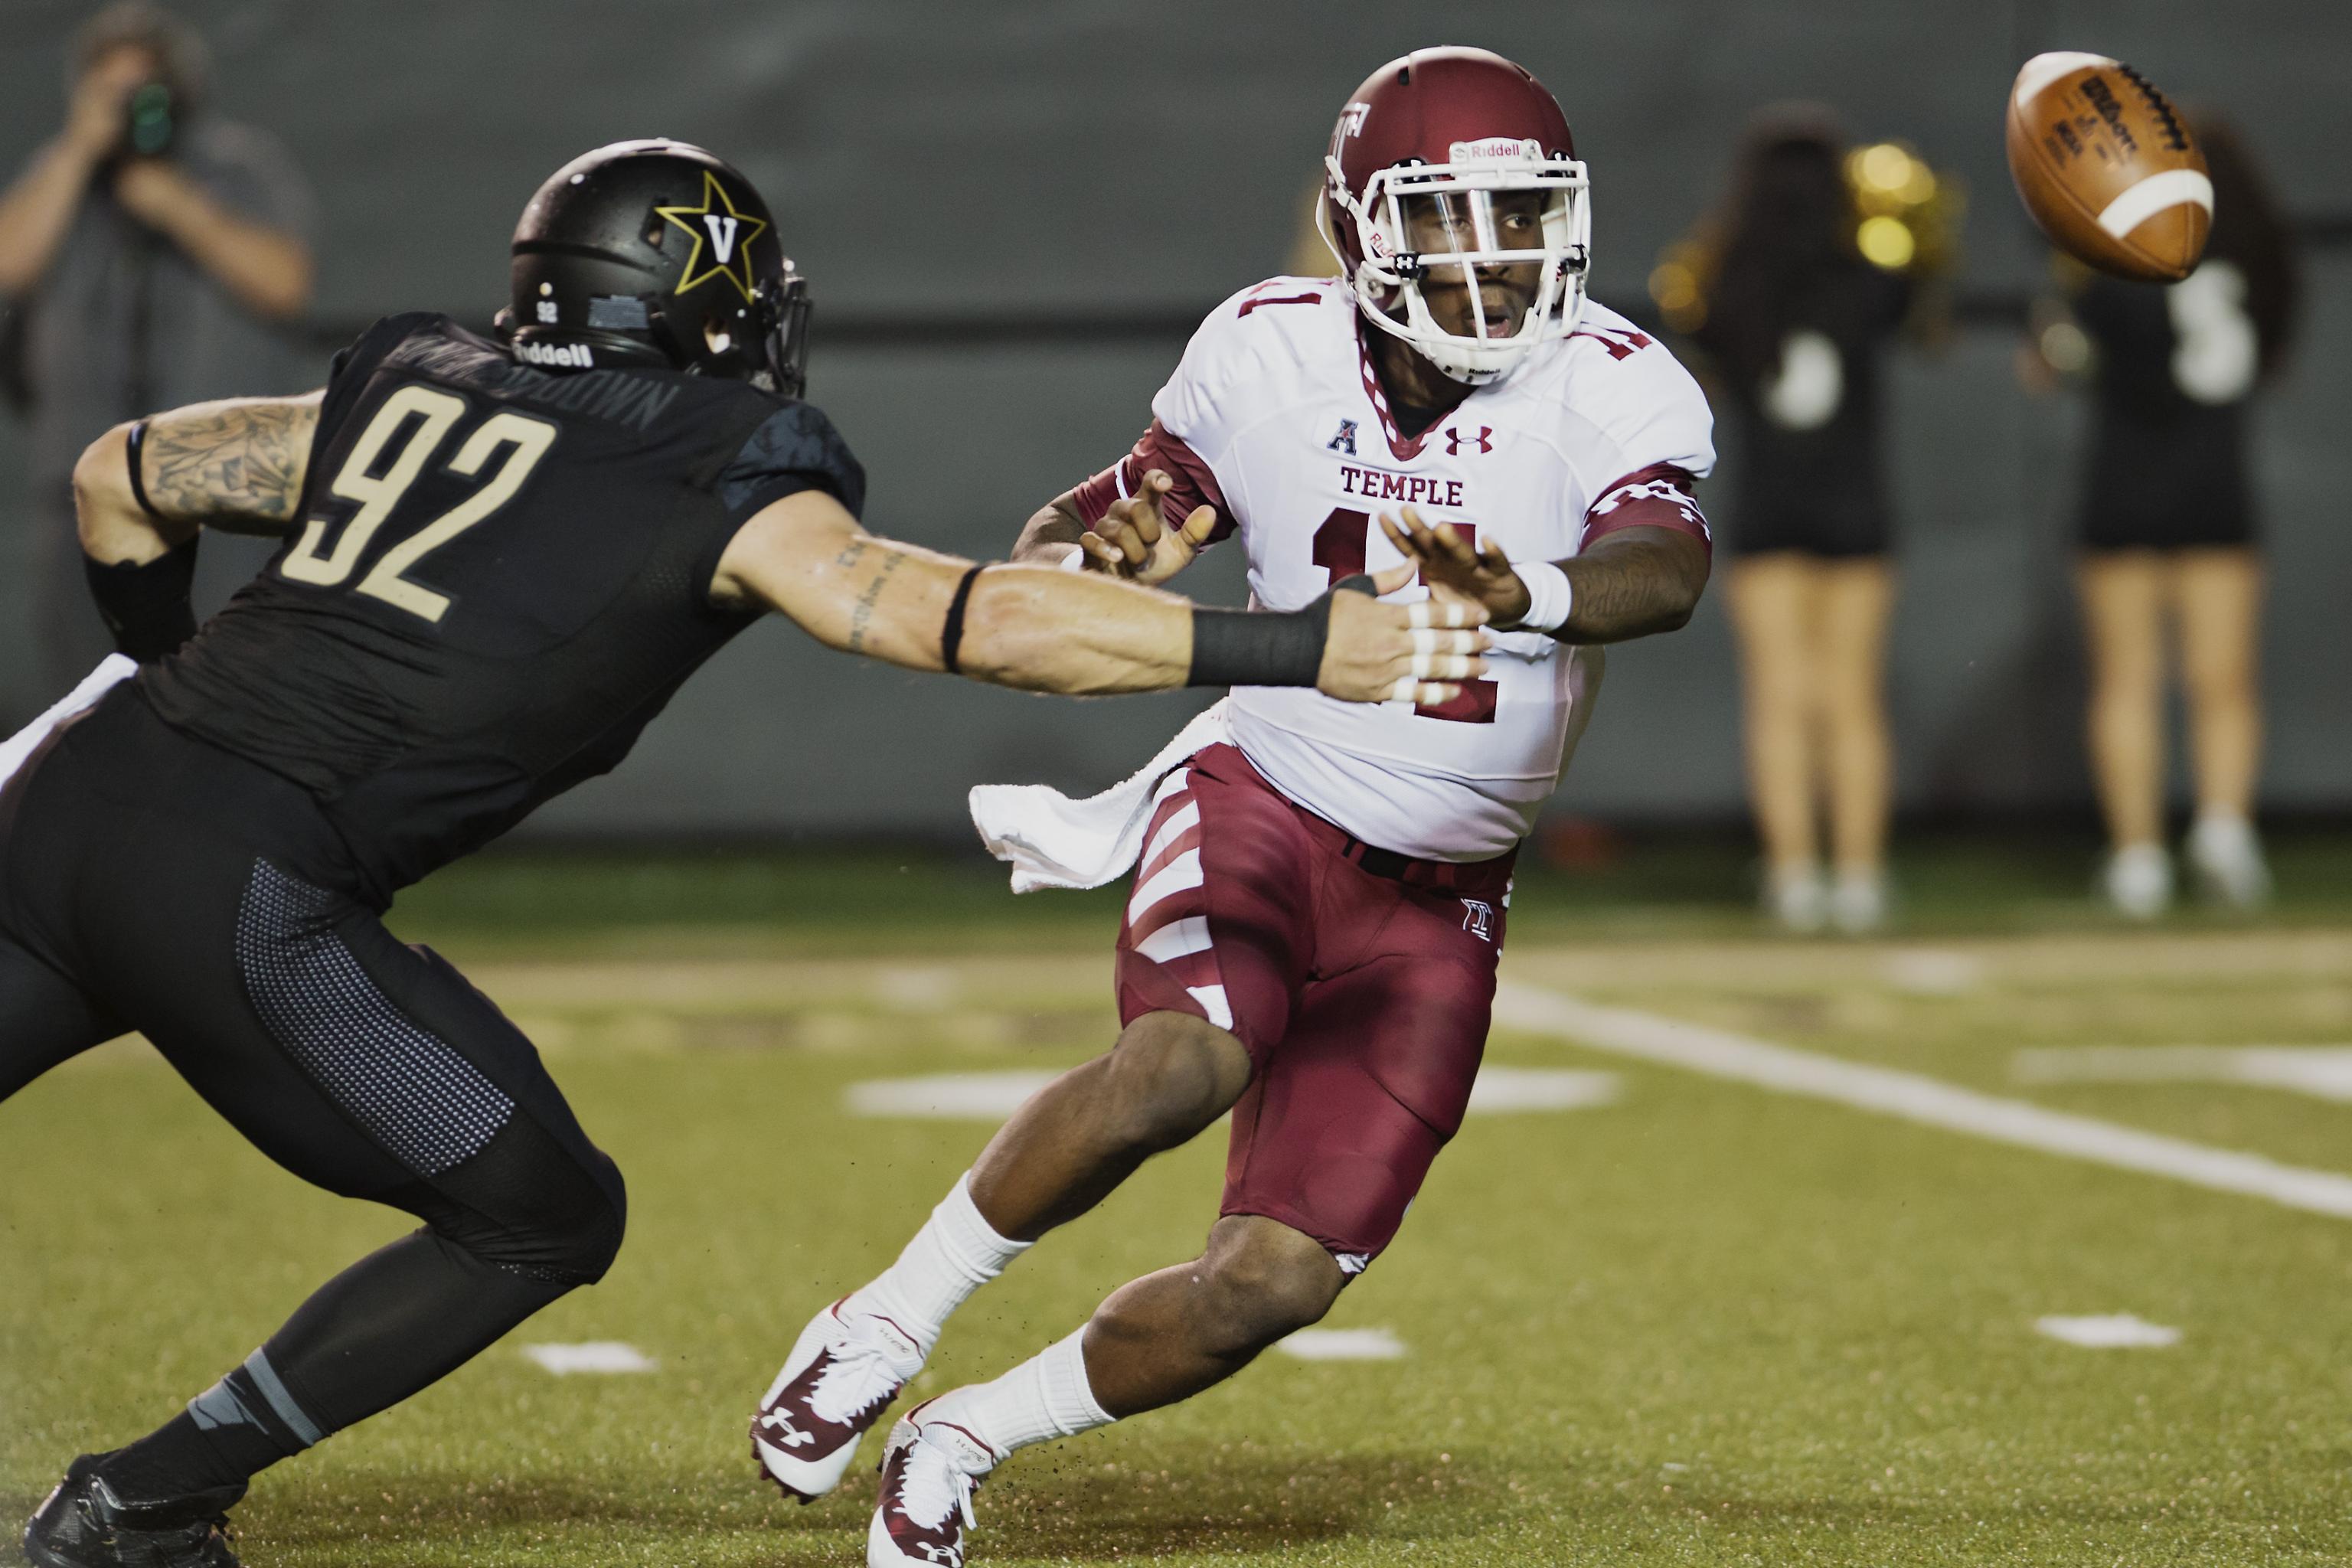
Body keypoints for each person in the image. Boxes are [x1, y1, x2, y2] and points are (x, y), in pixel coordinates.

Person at [7, 139, 1479, 1568]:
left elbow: (121, 474)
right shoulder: (714, 461)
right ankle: (141, 1500)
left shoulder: (413, 375)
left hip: (66, 807)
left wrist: (162, 674)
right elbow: (976, 623)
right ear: (711, 307)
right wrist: (1298, 643)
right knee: (543, 1218)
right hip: (248, 881)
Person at [745, 50, 1716, 1568]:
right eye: (1451, 224)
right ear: (1358, 232)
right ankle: (883, 1324)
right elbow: (1112, 514)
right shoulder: (1268, 348)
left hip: (1444, 894)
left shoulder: (1615, 379)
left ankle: (962, 1435)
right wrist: (1100, 542)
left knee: (1272, 1282)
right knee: (1177, 1067)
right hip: (1268, 787)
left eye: (1523, 218)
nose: (1498, 258)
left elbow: (1665, 568)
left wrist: (1532, 587)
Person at [0, 3, 315, 706]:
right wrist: (77, 152)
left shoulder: (238, 169)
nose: (127, 107)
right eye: (109, 90)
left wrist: (173, 202)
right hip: (79, 496)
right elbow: (9, 263)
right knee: (84, 707)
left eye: (143, 89)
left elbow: (285, 283)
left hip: (221, 493)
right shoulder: (64, 178)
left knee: (228, 691)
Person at [2043, 114, 2299, 916]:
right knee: (2223, 680)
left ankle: (2139, 857)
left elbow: (2059, 359)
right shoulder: (2258, 256)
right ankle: (2226, 835)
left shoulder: (2116, 251)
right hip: (2215, 479)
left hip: (2125, 479)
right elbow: (2276, 354)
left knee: (2128, 680)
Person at [1683, 116, 1917, 933]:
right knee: (1852, 697)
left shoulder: (1728, 279)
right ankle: (1858, 878)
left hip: (1769, 507)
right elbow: (1924, 308)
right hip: (1857, 506)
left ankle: (1794, 875)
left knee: (1781, 698)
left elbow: (1696, 337)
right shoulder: (1868, 276)